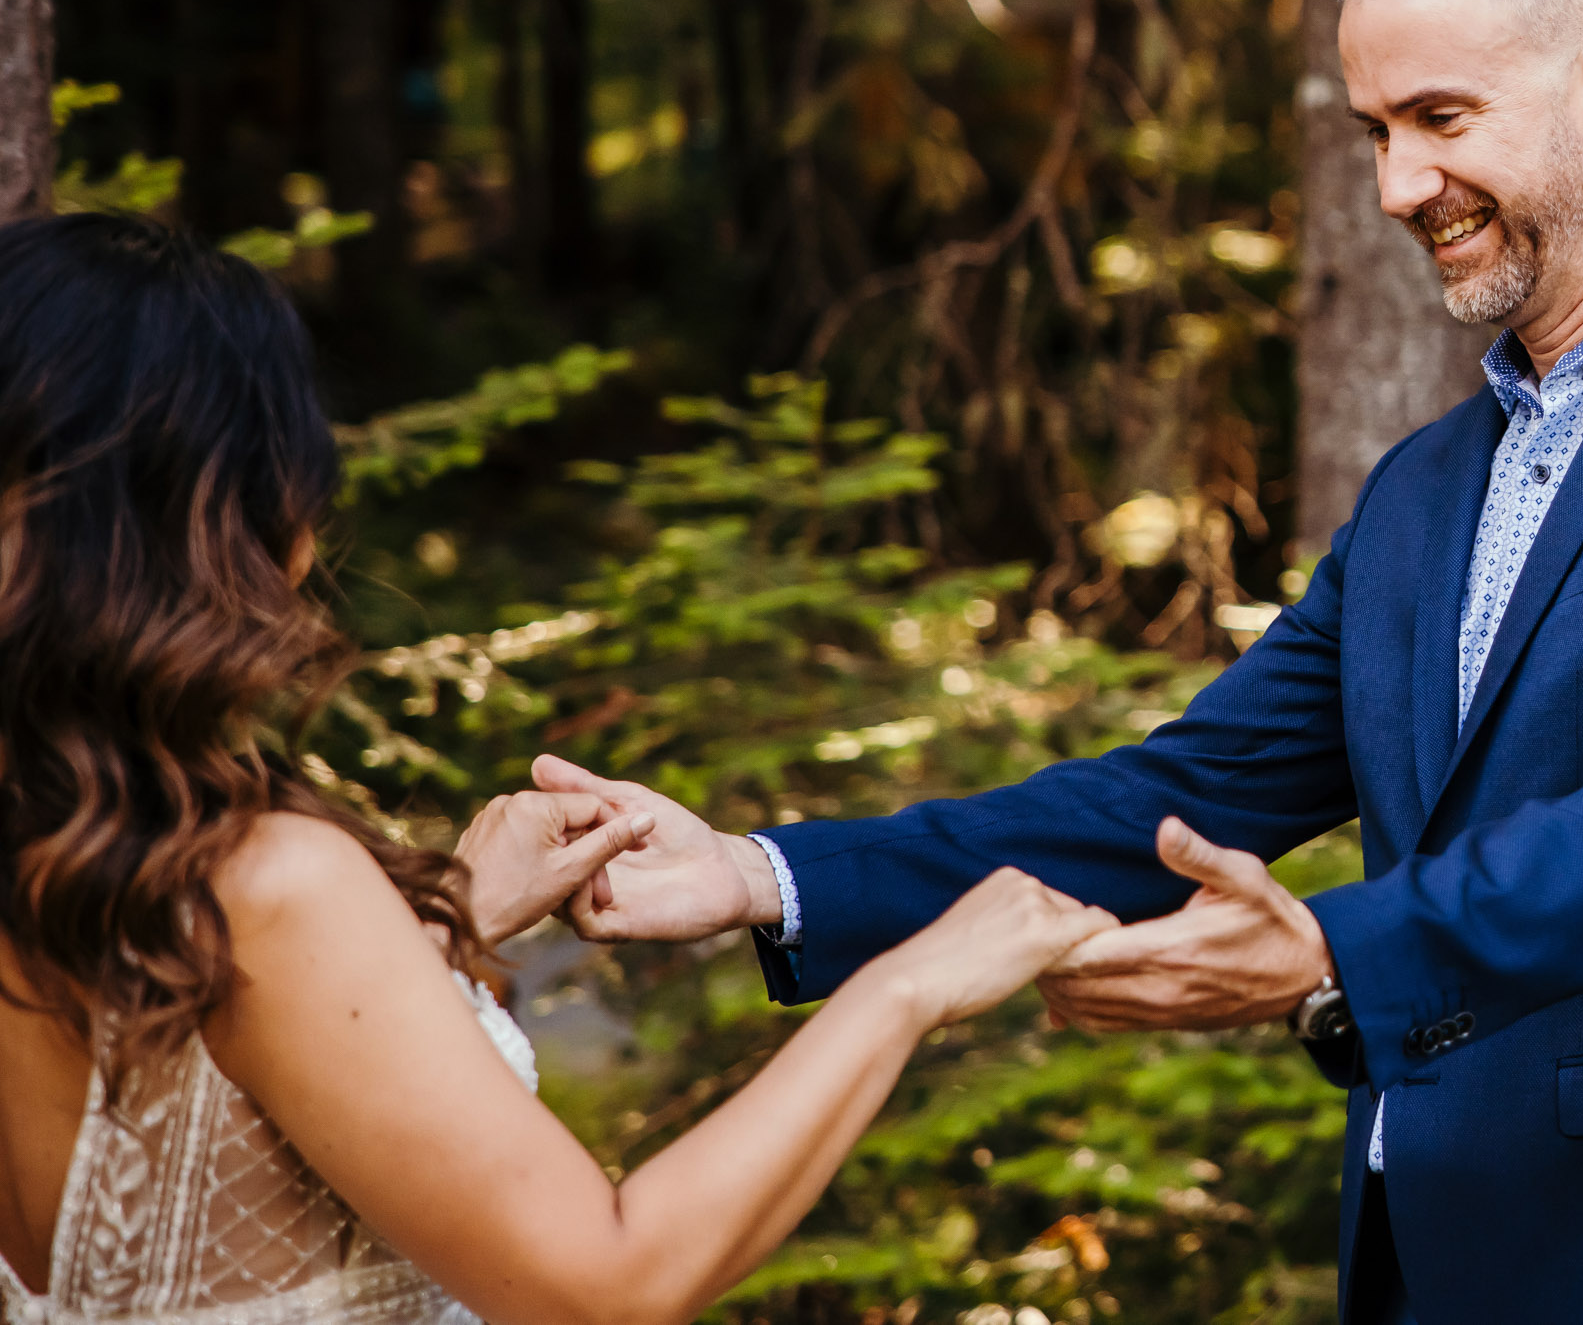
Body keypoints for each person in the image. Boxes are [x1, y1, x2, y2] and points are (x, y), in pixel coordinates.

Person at [536, 0, 1583, 1322]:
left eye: (1440, 119)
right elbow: (1179, 795)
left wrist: (1337, 946)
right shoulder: (1423, 485)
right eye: (1377, 132)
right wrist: (758, 875)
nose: (1399, 186)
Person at [0, 212, 1116, 1325]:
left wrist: (441, 922)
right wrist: (911, 983)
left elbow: (209, 1111)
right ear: (235, 516)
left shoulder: (74, 857)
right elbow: (610, 1282)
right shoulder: (266, 887)